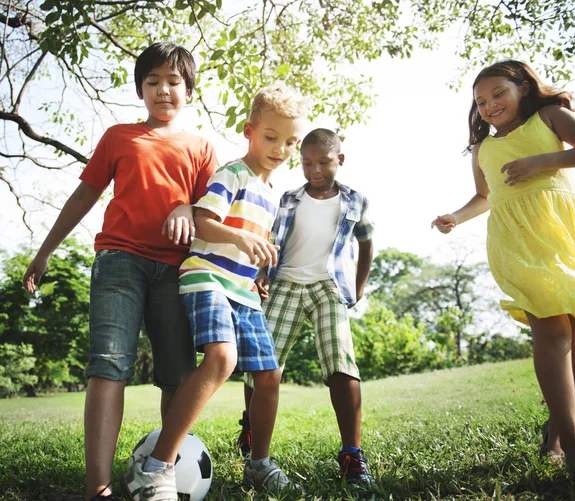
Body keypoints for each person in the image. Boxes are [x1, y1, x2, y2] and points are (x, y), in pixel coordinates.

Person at [22, 42, 218, 500]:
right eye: (152, 82)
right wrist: (45, 250)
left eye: (173, 82)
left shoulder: (202, 147)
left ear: (189, 90)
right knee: (108, 366)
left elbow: (215, 212)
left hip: (177, 270)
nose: (163, 90)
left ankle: (161, 474)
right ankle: (99, 488)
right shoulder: (119, 137)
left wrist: (189, 206)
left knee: (176, 374)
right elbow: (84, 196)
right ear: (140, 89)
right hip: (119, 262)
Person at [122, 83, 308, 500]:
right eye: (271, 137)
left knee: (269, 375)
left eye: (290, 142)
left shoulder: (273, 193)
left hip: (243, 292)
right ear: (249, 131)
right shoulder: (233, 173)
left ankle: (258, 463)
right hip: (206, 278)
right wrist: (240, 240)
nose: (280, 149)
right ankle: (156, 467)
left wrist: (260, 271)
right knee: (222, 358)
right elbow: (204, 223)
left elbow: (256, 244)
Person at [431, 60, 575, 479]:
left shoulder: (549, 116)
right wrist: (455, 215)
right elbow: (485, 196)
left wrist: (540, 162)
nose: (489, 106)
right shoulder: (483, 147)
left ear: (523, 87)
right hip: (517, 240)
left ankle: (557, 432)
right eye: (481, 102)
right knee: (553, 328)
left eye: (498, 94)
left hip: (562, 232)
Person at [237, 128, 375, 486]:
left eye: (324, 162)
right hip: (286, 283)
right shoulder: (288, 199)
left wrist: (358, 288)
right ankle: (250, 428)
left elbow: (366, 243)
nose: (315, 170)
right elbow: (271, 239)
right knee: (263, 363)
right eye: (307, 163)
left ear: (339, 160)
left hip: (328, 287)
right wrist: (263, 273)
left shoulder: (355, 200)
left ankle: (352, 455)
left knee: (340, 362)